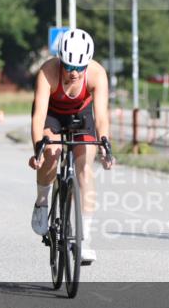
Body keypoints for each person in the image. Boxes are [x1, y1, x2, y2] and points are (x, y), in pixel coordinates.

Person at [28, 28, 114, 264]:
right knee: (51, 151)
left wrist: (105, 143)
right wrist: (38, 148)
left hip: (82, 116)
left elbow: (102, 117)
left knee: (85, 168)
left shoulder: (97, 74)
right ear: (61, 61)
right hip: (53, 114)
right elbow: (38, 117)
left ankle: (84, 238)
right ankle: (42, 201)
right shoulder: (48, 72)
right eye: (69, 66)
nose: (74, 73)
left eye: (80, 67)